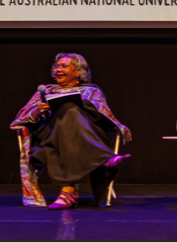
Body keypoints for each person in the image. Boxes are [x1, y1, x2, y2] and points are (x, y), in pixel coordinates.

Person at [11, 53, 131, 209]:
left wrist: (78, 104)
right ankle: (104, 159)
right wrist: (37, 113)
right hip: (47, 135)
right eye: (57, 66)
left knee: (69, 109)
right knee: (68, 109)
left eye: (64, 66)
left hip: (84, 136)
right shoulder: (46, 91)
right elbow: (22, 120)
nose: (58, 70)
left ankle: (68, 191)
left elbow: (103, 118)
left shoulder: (91, 91)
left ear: (78, 72)